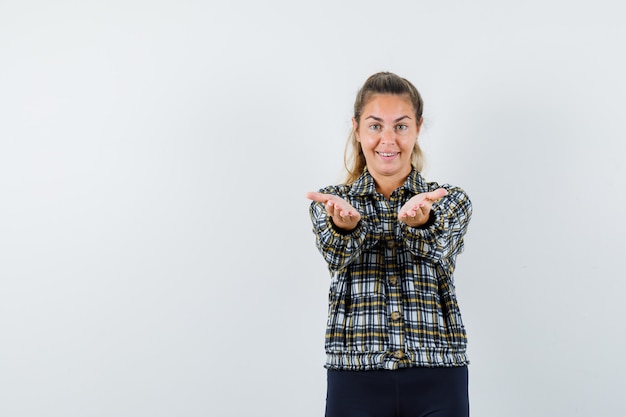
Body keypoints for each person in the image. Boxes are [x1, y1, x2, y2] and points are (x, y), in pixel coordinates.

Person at [306, 72, 473, 417]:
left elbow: (438, 246)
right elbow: (334, 255)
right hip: (355, 376)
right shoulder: (332, 202)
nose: (387, 139)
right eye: (375, 125)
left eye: (400, 126)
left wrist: (422, 221)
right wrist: (344, 227)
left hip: (438, 372)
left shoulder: (449, 200)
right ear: (356, 128)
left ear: (418, 127)